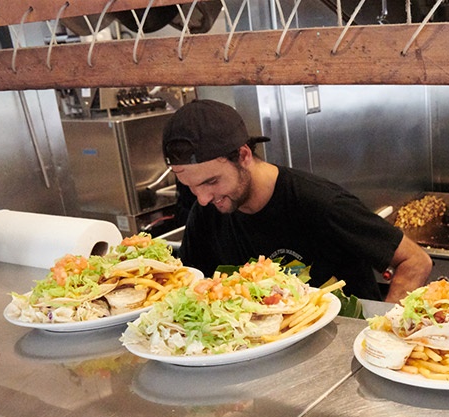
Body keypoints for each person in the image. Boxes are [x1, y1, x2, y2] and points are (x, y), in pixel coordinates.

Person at [161, 99, 432, 303]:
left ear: (243, 155)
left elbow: (416, 261)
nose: (204, 198)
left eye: (211, 182)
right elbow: (192, 286)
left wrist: (382, 336)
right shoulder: (206, 212)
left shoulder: (319, 203)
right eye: (191, 187)